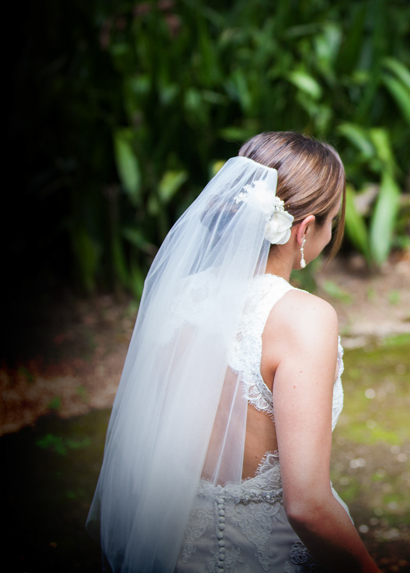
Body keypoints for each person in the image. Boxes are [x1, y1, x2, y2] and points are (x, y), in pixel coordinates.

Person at [87, 132, 380, 573]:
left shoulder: (179, 296)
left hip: (174, 553)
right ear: (303, 230)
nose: (331, 232)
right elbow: (308, 506)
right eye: (332, 221)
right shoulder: (303, 319)